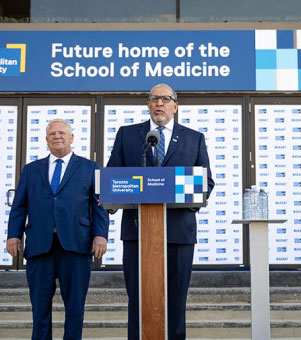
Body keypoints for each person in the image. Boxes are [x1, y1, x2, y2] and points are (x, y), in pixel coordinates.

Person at [107, 83, 214, 340]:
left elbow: (206, 182)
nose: (159, 104)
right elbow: (111, 178)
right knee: (138, 298)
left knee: (176, 299)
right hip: (137, 233)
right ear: (147, 104)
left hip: (179, 233)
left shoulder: (193, 138)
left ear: (175, 106)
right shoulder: (128, 135)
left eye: (166, 99)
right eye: (154, 99)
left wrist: (186, 198)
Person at [6, 118, 109, 340]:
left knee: (75, 306)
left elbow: (98, 206)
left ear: (71, 138)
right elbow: (19, 205)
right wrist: (13, 235)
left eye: (62, 133)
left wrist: (100, 235)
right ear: (46, 139)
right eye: (52, 133)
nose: (57, 136)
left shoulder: (91, 168)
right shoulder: (31, 170)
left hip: (76, 244)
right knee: (40, 306)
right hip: (39, 245)